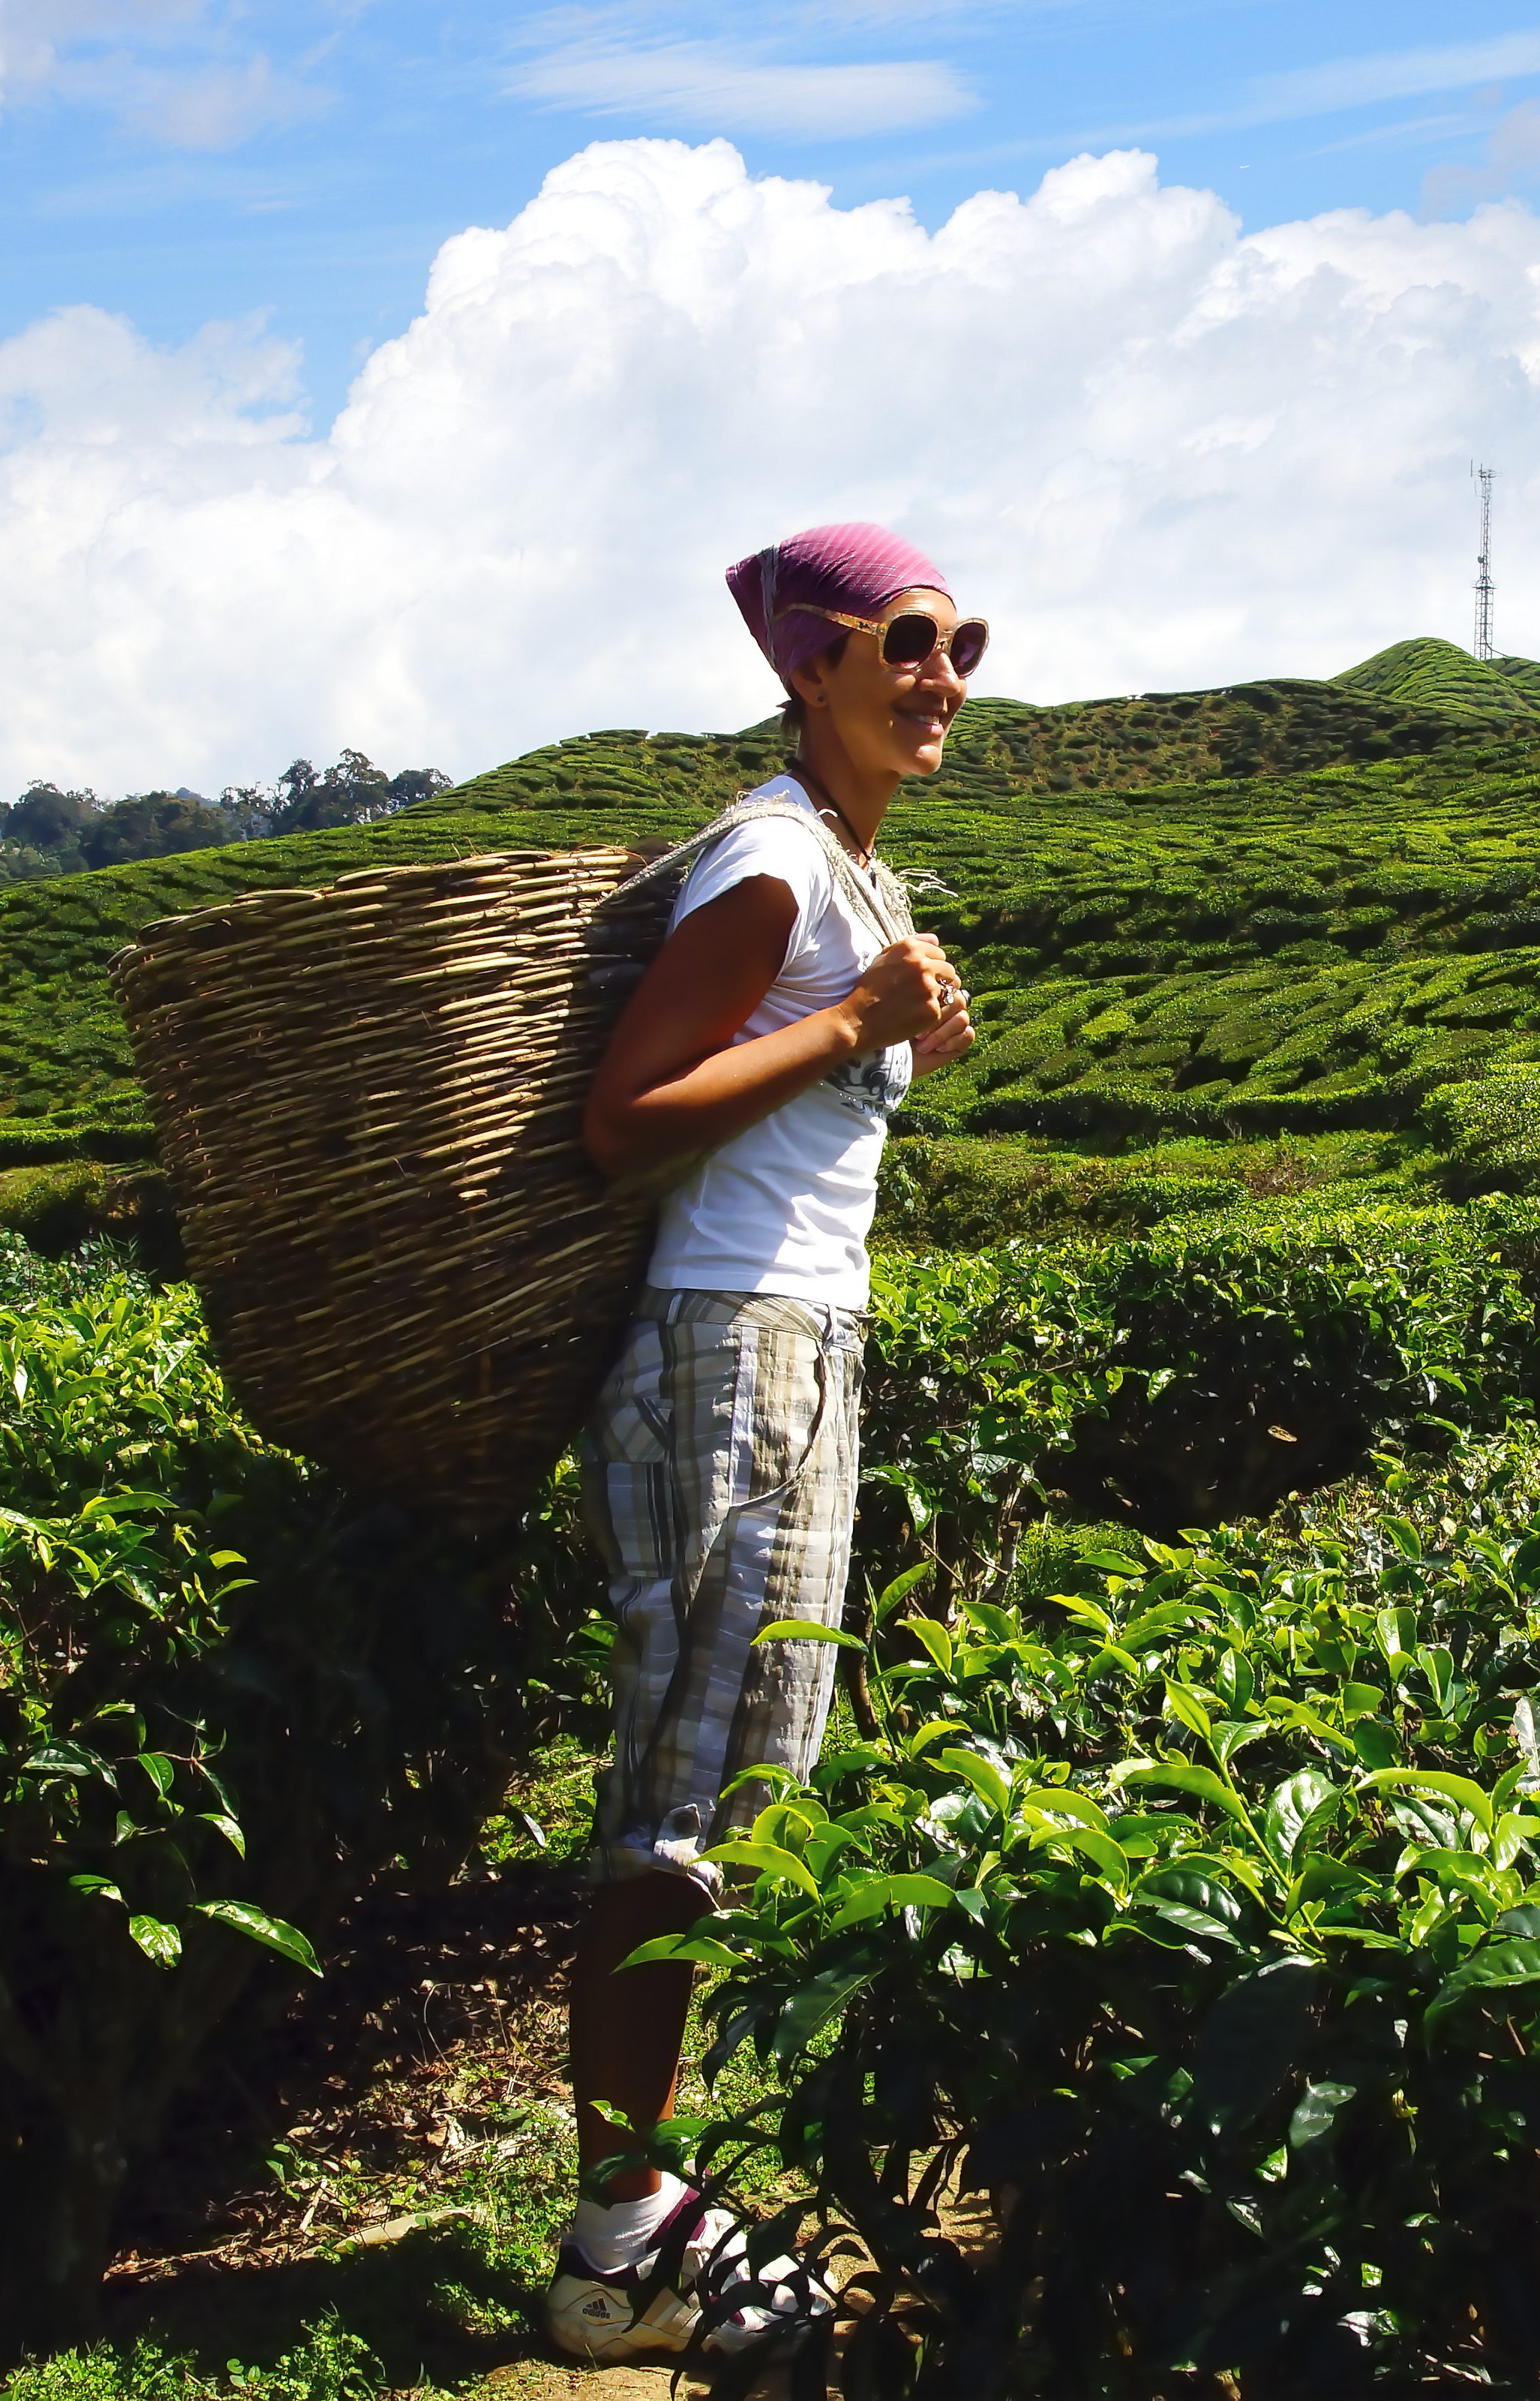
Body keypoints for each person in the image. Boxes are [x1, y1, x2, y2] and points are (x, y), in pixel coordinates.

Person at [542, 521, 983, 2364]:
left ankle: (644, 2210)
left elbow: (804, 1077)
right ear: (810, 663)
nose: (942, 676)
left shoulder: (855, 874)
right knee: (678, 1804)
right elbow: (626, 1117)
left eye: (963, 644)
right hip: (728, 1346)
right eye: (908, 640)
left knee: (739, 1798)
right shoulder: (772, 859)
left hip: (800, 1343)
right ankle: (616, 2247)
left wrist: (893, 1026)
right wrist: (860, 1019)